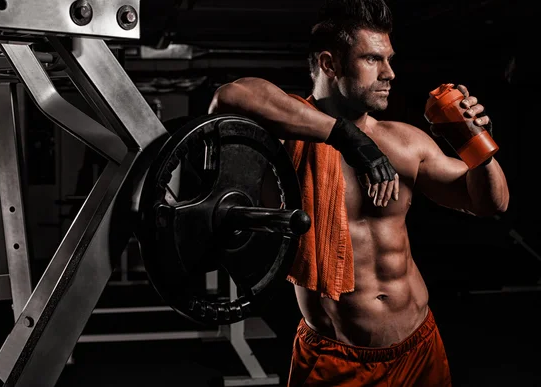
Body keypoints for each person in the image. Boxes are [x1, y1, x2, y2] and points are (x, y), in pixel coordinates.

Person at [208, 0, 509, 385]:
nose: (390, 73)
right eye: (372, 59)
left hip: (418, 346)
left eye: (389, 59)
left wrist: (474, 145)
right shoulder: (284, 136)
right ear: (330, 64)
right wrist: (347, 137)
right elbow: (232, 96)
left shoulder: (404, 142)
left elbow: (490, 203)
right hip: (336, 356)